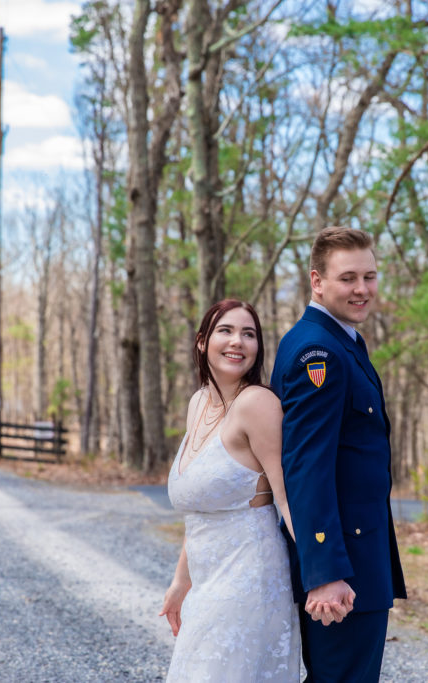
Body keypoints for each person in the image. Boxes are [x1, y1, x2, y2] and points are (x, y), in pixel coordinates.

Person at [271, 226, 407, 682]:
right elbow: (307, 467)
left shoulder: (341, 340)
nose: (363, 289)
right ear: (317, 281)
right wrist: (325, 571)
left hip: (356, 561)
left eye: (370, 277)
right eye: (348, 278)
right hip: (342, 570)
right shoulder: (319, 353)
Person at [160, 299, 300, 681]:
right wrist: (180, 581)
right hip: (207, 582)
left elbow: (288, 499)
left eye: (249, 333)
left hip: (249, 581)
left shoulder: (258, 403)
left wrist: (325, 576)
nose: (238, 341)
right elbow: (201, 509)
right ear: (202, 342)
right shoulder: (198, 402)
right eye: (226, 330)